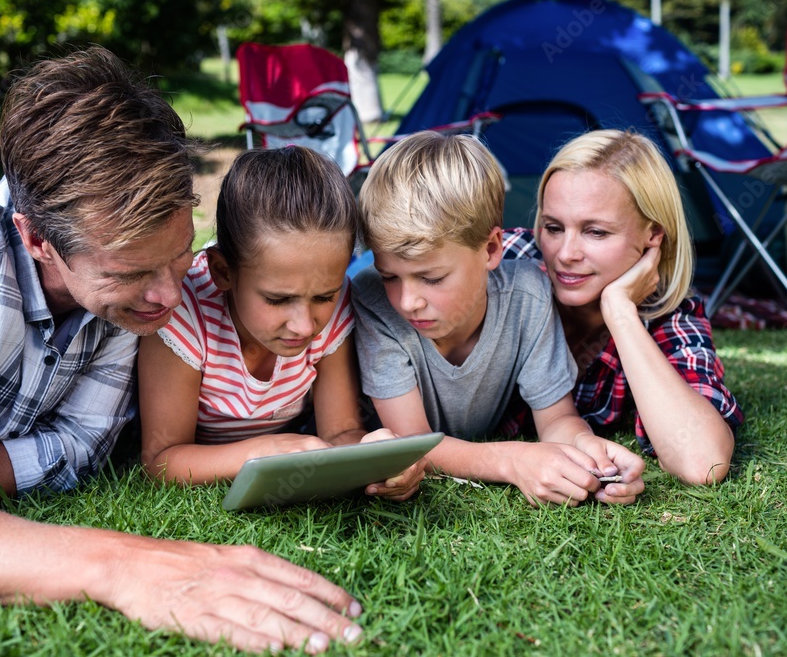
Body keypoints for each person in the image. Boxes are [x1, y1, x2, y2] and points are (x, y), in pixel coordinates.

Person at [0, 47, 363, 654]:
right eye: (131, 272)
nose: (169, 296)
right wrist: (120, 563)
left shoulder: (129, 300)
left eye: (181, 252)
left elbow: (84, 445)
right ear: (37, 239)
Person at [350, 130, 646, 507]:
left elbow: (556, 419)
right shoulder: (374, 302)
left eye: (432, 278)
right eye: (389, 275)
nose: (408, 301)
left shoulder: (529, 297)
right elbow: (412, 443)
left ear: (491, 248)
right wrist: (511, 460)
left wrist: (588, 451)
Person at [138, 146, 422, 500]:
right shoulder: (186, 315)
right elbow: (162, 461)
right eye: (278, 299)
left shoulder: (334, 309)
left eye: (323, 297)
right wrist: (262, 452)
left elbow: (340, 431)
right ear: (223, 271)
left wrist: (375, 456)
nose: (305, 326)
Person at [503, 129, 744, 485]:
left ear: (653, 234)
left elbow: (702, 462)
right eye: (553, 227)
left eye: (596, 232)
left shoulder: (667, 314)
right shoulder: (508, 263)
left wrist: (620, 312)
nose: (566, 254)